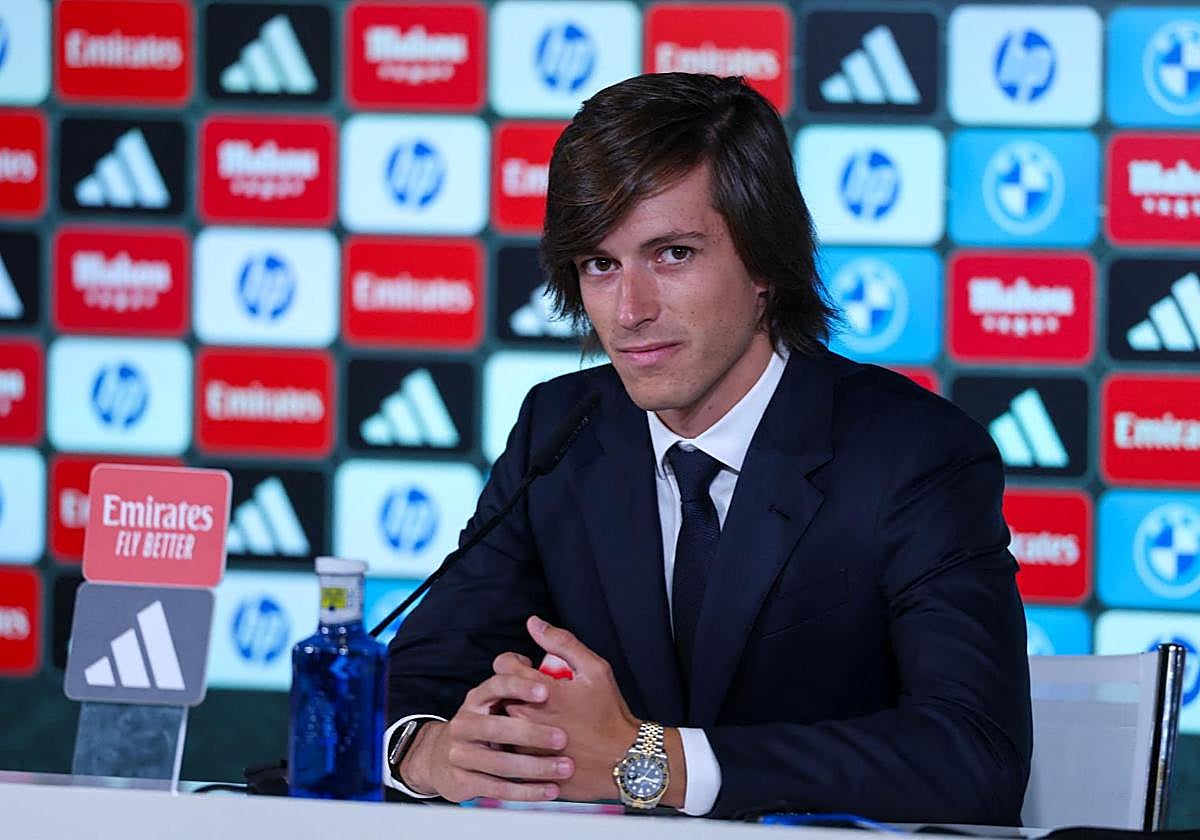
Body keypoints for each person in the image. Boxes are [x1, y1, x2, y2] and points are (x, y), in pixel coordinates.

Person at [383, 72, 1032, 823]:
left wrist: (650, 762)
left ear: (764, 265)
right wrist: (431, 754)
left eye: (673, 254)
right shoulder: (560, 429)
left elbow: (973, 757)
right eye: (601, 264)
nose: (629, 312)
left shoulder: (913, 454)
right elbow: (420, 674)